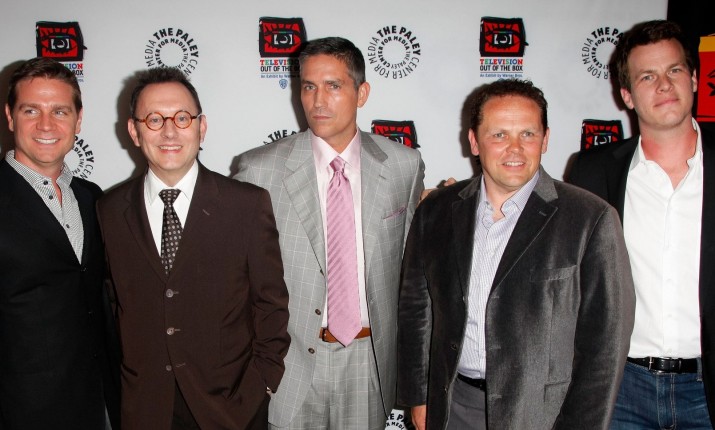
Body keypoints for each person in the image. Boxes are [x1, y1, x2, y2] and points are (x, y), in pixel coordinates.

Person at [397, 78, 636, 430]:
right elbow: (417, 309)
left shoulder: (591, 219)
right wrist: (420, 396)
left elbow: (605, 345)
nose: (515, 149)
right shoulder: (437, 210)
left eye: (527, 134)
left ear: (546, 139)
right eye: (499, 135)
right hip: (453, 406)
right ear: (474, 142)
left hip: (544, 415)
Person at [235, 36, 425, 429]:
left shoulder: (403, 166)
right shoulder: (259, 170)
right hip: (289, 365)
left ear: (362, 92)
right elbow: (236, 279)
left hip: (368, 362)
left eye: (333, 86)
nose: (318, 100)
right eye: (308, 86)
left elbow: (413, 274)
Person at [96, 67, 290, 429]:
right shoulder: (109, 210)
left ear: (202, 127)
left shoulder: (246, 205)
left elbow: (271, 305)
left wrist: (261, 383)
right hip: (144, 409)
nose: (169, 131)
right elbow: (112, 307)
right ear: (134, 131)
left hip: (231, 409)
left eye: (182, 118)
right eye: (154, 119)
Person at [569, 19, 715, 428]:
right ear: (627, 96)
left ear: (695, 79)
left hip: (707, 393)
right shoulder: (592, 172)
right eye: (647, 76)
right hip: (623, 390)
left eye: (674, 70)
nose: (664, 85)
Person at [0, 57, 120, 429]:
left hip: (97, 403)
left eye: (60, 111)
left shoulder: (92, 197)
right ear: (10, 117)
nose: (46, 125)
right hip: (19, 412)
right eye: (31, 110)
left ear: (78, 120)